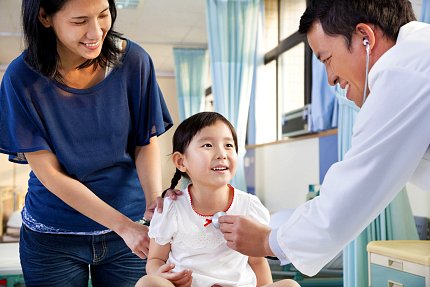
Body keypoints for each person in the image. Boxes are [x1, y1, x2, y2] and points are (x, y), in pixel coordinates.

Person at [218, 0, 430, 277]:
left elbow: (352, 192)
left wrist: (267, 241)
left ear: (365, 37)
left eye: (327, 59)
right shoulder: (417, 55)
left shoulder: (401, 71)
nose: (330, 80)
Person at [0, 0, 173, 286]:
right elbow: (50, 173)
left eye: (103, 15)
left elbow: (145, 142)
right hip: (54, 236)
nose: (96, 32)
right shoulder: (21, 79)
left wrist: (153, 202)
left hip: (131, 227)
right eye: (80, 21)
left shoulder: (133, 62)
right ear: (45, 17)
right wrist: (122, 227)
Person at [135, 112, 300, 287]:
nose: (222, 153)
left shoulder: (248, 206)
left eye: (228, 145)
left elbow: (257, 262)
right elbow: (155, 259)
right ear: (181, 161)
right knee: (148, 283)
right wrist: (160, 274)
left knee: (290, 285)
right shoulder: (171, 208)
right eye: (207, 145)